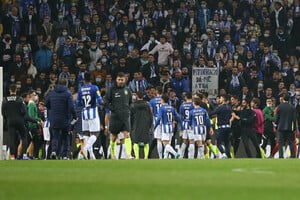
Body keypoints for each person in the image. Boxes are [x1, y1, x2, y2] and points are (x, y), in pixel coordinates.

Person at [45, 78, 77, 159]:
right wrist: (75, 116)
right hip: (65, 118)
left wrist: (52, 110)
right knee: (65, 137)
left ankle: (54, 151)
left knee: (55, 136)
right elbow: (71, 107)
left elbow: (46, 103)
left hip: (54, 118)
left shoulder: (52, 93)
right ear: (66, 84)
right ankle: (65, 155)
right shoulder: (68, 94)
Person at [104, 72, 133, 159]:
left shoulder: (127, 90)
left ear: (125, 80)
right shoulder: (111, 90)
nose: (120, 81)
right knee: (113, 136)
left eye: (122, 80)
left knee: (127, 134)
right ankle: (113, 155)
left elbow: (131, 102)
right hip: (115, 117)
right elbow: (106, 102)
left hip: (125, 117)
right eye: (119, 80)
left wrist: (128, 109)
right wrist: (113, 109)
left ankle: (129, 155)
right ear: (116, 80)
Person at [76, 72, 103, 160]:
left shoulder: (81, 89)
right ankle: (85, 149)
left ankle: (91, 156)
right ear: (91, 79)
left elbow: (78, 103)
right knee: (95, 133)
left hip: (84, 113)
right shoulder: (94, 88)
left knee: (86, 134)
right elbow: (100, 100)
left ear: (84, 80)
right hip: (93, 112)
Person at [2, 84, 28, 160]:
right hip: (19, 120)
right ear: (16, 90)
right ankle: (24, 154)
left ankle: (13, 156)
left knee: (12, 139)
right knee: (24, 136)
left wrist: (7, 118)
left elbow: (3, 112)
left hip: (10, 121)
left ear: (10, 90)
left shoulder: (5, 99)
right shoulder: (19, 99)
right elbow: (24, 111)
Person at [154, 94, 181, 159]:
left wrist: (154, 127)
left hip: (165, 127)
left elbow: (159, 118)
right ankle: (165, 158)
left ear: (162, 100)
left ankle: (175, 153)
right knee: (168, 144)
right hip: (171, 127)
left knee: (165, 144)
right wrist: (181, 125)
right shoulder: (172, 108)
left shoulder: (162, 108)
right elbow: (177, 116)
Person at [130, 91, 153, 159]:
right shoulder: (147, 105)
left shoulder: (133, 105)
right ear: (143, 97)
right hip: (145, 125)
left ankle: (137, 157)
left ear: (137, 96)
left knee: (135, 142)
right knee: (146, 142)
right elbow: (150, 116)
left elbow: (130, 117)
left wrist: (131, 126)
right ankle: (146, 157)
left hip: (135, 125)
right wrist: (150, 126)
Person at [275, 94, 297, 158]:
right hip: (290, 128)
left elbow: (277, 118)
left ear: (283, 99)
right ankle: (293, 155)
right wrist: (294, 128)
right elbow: (294, 119)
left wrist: (276, 124)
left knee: (280, 143)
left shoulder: (279, 107)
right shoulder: (292, 107)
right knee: (291, 142)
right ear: (289, 100)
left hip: (281, 127)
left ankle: (281, 155)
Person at [179, 92, 195, 159]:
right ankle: (191, 157)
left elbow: (181, 116)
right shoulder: (193, 105)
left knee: (184, 141)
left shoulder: (182, 105)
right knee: (192, 141)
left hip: (184, 124)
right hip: (191, 124)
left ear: (185, 97)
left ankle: (180, 156)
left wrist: (181, 127)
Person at [149, 86, 163, 158]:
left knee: (158, 139)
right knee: (166, 139)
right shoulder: (165, 99)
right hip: (165, 119)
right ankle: (167, 155)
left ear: (156, 91)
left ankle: (160, 157)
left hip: (156, 119)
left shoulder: (152, 101)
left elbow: (151, 112)